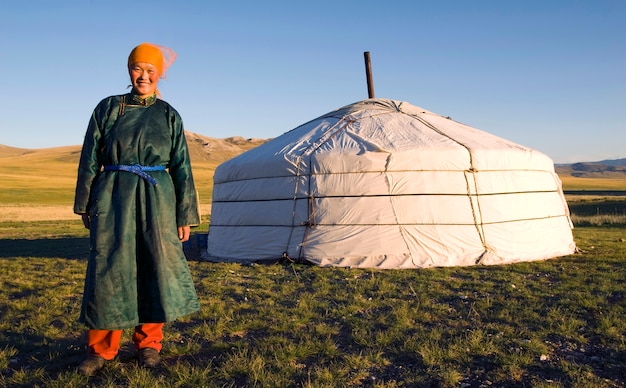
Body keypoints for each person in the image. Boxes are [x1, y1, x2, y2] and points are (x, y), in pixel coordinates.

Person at [73, 42, 200, 376]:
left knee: (153, 266)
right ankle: (102, 349)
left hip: (157, 198)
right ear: (129, 70)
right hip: (113, 195)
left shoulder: (168, 114)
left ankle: (148, 345)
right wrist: (85, 202)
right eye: (137, 68)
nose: (143, 76)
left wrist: (185, 213)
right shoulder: (109, 108)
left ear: (160, 75)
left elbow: (182, 166)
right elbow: (89, 157)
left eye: (150, 70)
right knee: (109, 270)